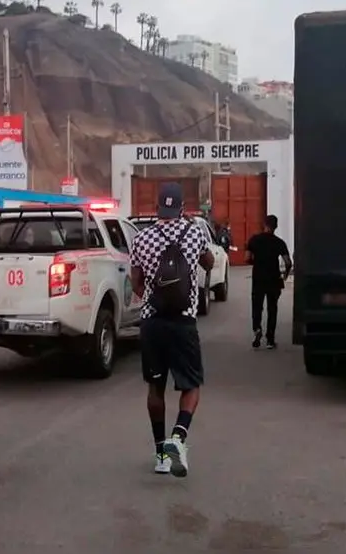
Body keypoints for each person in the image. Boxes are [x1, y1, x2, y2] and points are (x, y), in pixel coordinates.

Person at [131, 182, 214, 478]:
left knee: (156, 387)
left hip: (153, 322)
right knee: (191, 385)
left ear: (157, 208)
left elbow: (136, 282)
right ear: (181, 208)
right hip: (183, 321)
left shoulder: (142, 238)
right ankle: (178, 439)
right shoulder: (194, 232)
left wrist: (153, 297)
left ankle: (159, 455)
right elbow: (210, 262)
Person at [246, 214, 293, 349]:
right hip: (273, 279)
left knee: (257, 306)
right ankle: (270, 340)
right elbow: (288, 262)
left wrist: (257, 262)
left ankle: (257, 330)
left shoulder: (254, 240)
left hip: (258, 278)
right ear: (276, 226)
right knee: (272, 309)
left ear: (264, 224)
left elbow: (247, 258)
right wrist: (285, 275)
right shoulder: (279, 242)